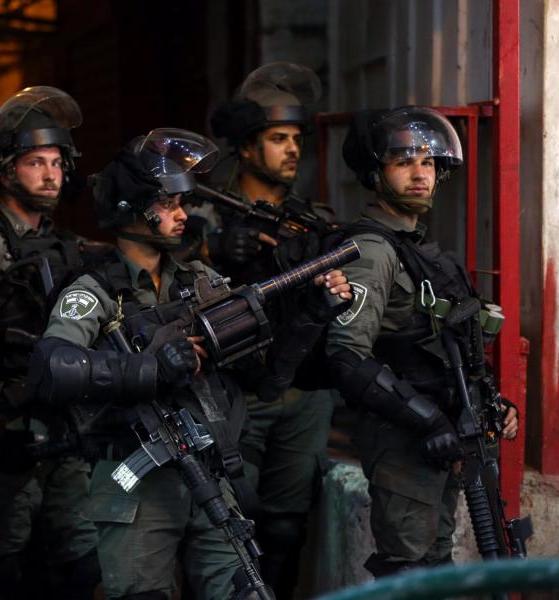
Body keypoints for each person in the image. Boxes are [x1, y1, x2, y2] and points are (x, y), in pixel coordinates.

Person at [28, 128, 350, 599]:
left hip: (210, 478)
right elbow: (52, 366)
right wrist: (150, 370)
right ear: (130, 209)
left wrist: (310, 317)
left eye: (180, 203)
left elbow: (264, 377)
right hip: (137, 489)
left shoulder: (200, 283)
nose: (182, 215)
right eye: (168, 205)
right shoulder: (96, 291)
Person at [328, 106, 519, 577]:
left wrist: (492, 401)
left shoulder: (423, 249)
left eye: (429, 163)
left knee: (436, 565)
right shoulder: (373, 251)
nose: (420, 173)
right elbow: (346, 356)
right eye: (404, 161)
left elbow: (453, 342)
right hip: (404, 439)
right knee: (408, 570)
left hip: (447, 433)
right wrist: (427, 420)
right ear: (376, 173)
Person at [0, 86, 100, 599]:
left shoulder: (65, 243)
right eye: (36, 162)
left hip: (66, 426)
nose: (52, 174)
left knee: (78, 562)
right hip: (8, 429)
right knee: (4, 562)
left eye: (57, 162)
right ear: (6, 172)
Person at [199, 62, 348, 598]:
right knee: (223, 523)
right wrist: (211, 250)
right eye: (277, 138)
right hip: (234, 390)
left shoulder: (313, 219)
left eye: (295, 139)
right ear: (244, 147)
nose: (292, 149)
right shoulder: (201, 215)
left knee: (286, 526)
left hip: (302, 394)